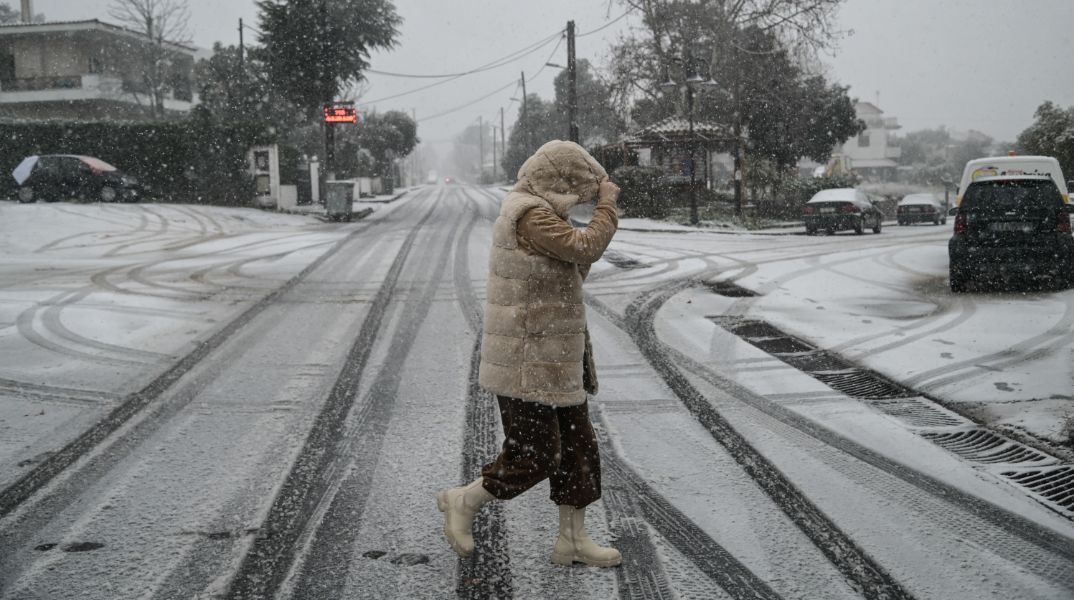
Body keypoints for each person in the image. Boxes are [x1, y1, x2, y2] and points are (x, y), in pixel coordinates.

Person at [437, 140, 622, 567]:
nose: (585, 198)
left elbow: (573, 267)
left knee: (578, 451)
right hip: (526, 361)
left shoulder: (542, 214)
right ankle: (464, 501)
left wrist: (589, 231)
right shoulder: (528, 213)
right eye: (580, 189)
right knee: (535, 453)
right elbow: (585, 248)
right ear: (559, 180)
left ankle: (572, 540)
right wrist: (607, 208)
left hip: (557, 357)